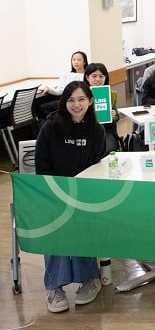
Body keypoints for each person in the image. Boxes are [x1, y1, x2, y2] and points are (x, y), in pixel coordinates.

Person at [35, 81, 106, 313]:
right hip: (54, 194)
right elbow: (41, 165)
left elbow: (97, 167)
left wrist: (82, 195)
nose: (76, 105)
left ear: (90, 101)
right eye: (71, 100)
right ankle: (54, 287)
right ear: (64, 102)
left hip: (83, 195)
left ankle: (89, 279)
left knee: (84, 222)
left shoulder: (97, 131)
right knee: (54, 227)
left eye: (81, 99)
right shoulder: (50, 127)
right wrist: (56, 194)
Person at [37, 50, 89, 118]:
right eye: (74, 60)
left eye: (79, 60)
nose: (76, 62)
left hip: (78, 101)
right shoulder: (66, 75)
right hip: (66, 100)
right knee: (41, 105)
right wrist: (48, 89)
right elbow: (60, 91)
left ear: (84, 62)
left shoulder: (88, 76)